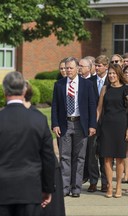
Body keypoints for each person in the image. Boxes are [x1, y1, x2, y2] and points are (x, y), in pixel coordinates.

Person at [0, 71, 55, 216]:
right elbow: (48, 157)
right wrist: (48, 188)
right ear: (24, 90)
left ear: (4, 91)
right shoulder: (39, 120)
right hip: (29, 190)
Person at [51, 57, 97, 197]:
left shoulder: (87, 84)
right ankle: (65, 188)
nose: (68, 70)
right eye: (66, 68)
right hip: (65, 124)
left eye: (71, 68)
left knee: (79, 157)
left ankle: (76, 188)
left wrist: (92, 125)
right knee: (65, 157)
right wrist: (55, 124)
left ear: (78, 68)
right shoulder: (59, 84)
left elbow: (91, 106)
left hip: (81, 124)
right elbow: (55, 106)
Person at [24, 81, 65, 216]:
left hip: (46, 170)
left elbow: (47, 152)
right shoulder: (36, 116)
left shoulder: (36, 118)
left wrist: (48, 187)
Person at [97, 63, 128, 198]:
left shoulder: (126, 89)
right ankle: (109, 185)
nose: (111, 75)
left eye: (114, 73)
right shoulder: (105, 89)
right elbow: (99, 109)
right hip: (106, 127)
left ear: (119, 74)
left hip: (121, 126)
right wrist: (94, 125)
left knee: (120, 157)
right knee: (107, 158)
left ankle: (119, 185)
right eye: (109, 73)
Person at [86, 55, 109, 193]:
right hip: (93, 122)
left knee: (105, 153)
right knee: (92, 152)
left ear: (106, 66)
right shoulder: (89, 81)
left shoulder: (112, 80)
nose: (97, 67)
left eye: (99, 65)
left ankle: (105, 183)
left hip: (108, 123)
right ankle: (93, 181)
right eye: (96, 64)